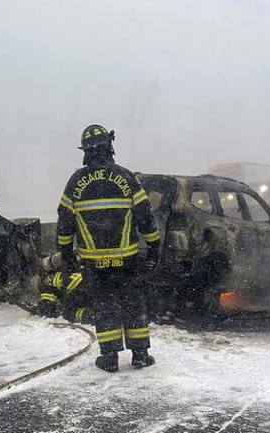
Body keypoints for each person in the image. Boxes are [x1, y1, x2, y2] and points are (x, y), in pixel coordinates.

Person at [56, 124, 161, 372]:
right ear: (109, 147)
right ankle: (140, 354)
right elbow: (145, 216)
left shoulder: (76, 181)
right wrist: (154, 246)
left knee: (104, 307)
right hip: (127, 259)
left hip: (94, 262)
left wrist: (66, 253)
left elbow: (65, 222)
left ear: (86, 151)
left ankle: (110, 357)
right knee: (133, 304)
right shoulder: (126, 177)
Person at [37, 252, 94, 324]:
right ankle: (92, 314)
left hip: (81, 287)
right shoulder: (55, 270)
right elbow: (64, 256)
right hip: (89, 279)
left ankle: (92, 315)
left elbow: (47, 309)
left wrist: (39, 309)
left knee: (68, 312)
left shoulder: (46, 286)